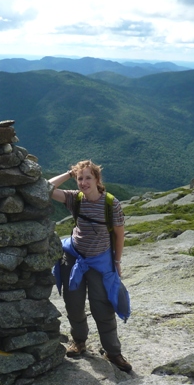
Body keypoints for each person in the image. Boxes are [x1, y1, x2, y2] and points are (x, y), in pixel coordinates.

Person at [49, 160, 132, 373]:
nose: (84, 182)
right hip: (74, 257)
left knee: (102, 307)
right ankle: (79, 342)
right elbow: (45, 188)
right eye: (80, 178)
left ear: (97, 179)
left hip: (99, 261)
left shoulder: (110, 204)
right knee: (73, 304)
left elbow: (120, 235)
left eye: (88, 177)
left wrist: (117, 262)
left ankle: (113, 352)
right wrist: (69, 173)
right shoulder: (74, 199)